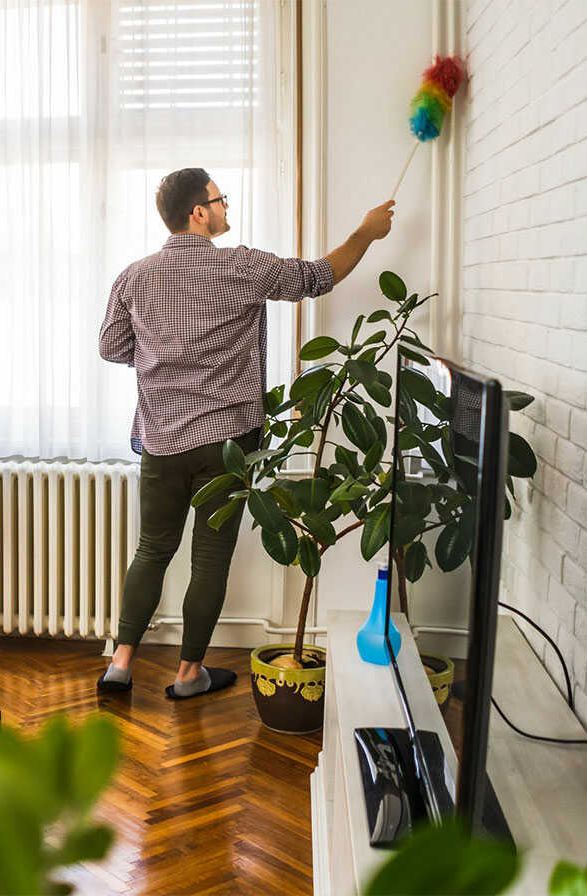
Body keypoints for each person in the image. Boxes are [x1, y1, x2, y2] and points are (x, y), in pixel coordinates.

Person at [96, 168, 394, 699]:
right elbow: (319, 276)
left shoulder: (134, 276)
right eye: (220, 200)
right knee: (209, 558)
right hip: (228, 443)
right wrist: (365, 234)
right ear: (199, 212)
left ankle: (120, 663)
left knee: (152, 549)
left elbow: (113, 348)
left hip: (162, 440)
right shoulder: (241, 267)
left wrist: (164, 358)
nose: (226, 208)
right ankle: (188, 675)